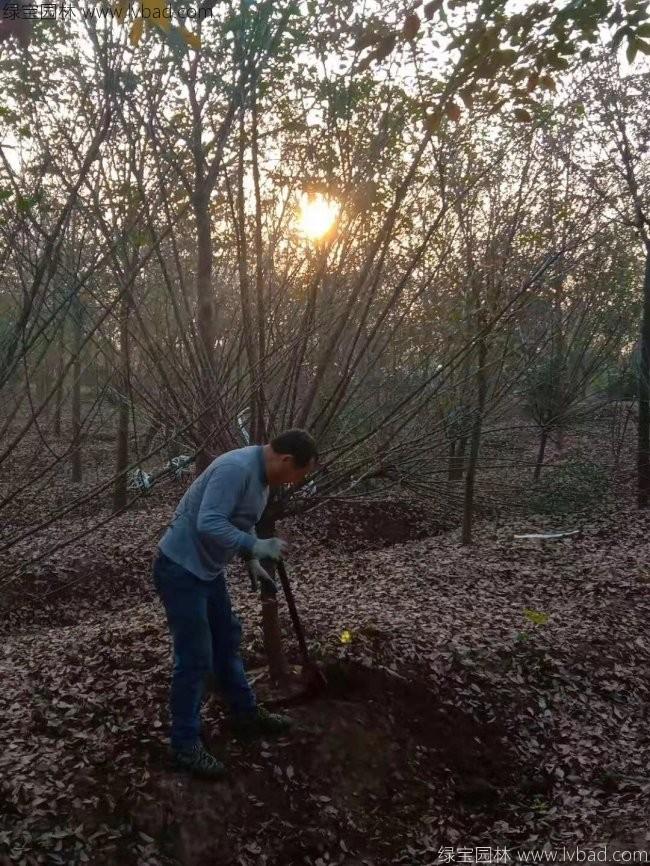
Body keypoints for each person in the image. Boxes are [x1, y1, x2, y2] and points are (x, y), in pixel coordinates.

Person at [152, 428, 318, 778]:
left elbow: (243, 521)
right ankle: (184, 745)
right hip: (181, 569)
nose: (293, 483)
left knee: (227, 642)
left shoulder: (261, 477)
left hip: (207, 571)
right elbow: (209, 520)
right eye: (297, 475)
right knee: (195, 657)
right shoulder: (237, 469)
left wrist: (250, 558)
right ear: (285, 460)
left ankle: (244, 714)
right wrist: (256, 546)